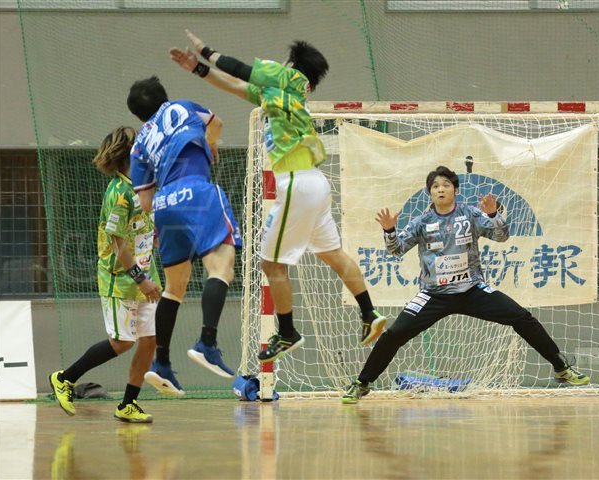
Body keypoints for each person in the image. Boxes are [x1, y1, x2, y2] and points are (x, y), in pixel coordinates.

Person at [168, 31, 386, 363]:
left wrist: (206, 51)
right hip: (315, 183)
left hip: (296, 182)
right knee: (333, 254)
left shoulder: (289, 78)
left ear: (293, 66)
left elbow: (241, 71)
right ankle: (370, 312)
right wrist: (198, 69)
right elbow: (236, 85)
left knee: (271, 264)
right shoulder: (281, 95)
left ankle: (287, 332)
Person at [341, 166, 591, 404]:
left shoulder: (470, 214)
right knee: (394, 334)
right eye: (435, 186)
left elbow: (502, 236)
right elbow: (396, 250)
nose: (441, 189)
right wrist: (389, 230)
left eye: (446, 185)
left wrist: (493, 214)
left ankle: (561, 367)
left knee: (522, 317)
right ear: (430, 192)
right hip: (433, 294)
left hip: (472, 290)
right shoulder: (422, 221)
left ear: (455, 190)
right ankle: (362, 383)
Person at [126, 76, 242, 396]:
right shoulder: (181, 107)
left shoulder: (139, 144)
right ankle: (207, 342)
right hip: (196, 190)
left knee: (174, 288)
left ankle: (161, 363)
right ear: (164, 96)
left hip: (164, 204)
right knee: (221, 268)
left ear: (138, 114)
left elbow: (145, 201)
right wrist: (211, 142)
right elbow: (217, 123)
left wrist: (160, 225)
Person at [48, 126, 162, 423]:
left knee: (150, 340)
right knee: (123, 342)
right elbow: (119, 245)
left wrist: (158, 237)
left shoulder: (145, 186)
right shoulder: (119, 194)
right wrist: (141, 279)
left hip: (146, 274)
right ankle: (64, 378)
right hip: (120, 279)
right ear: (130, 154)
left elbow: (146, 225)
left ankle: (128, 404)